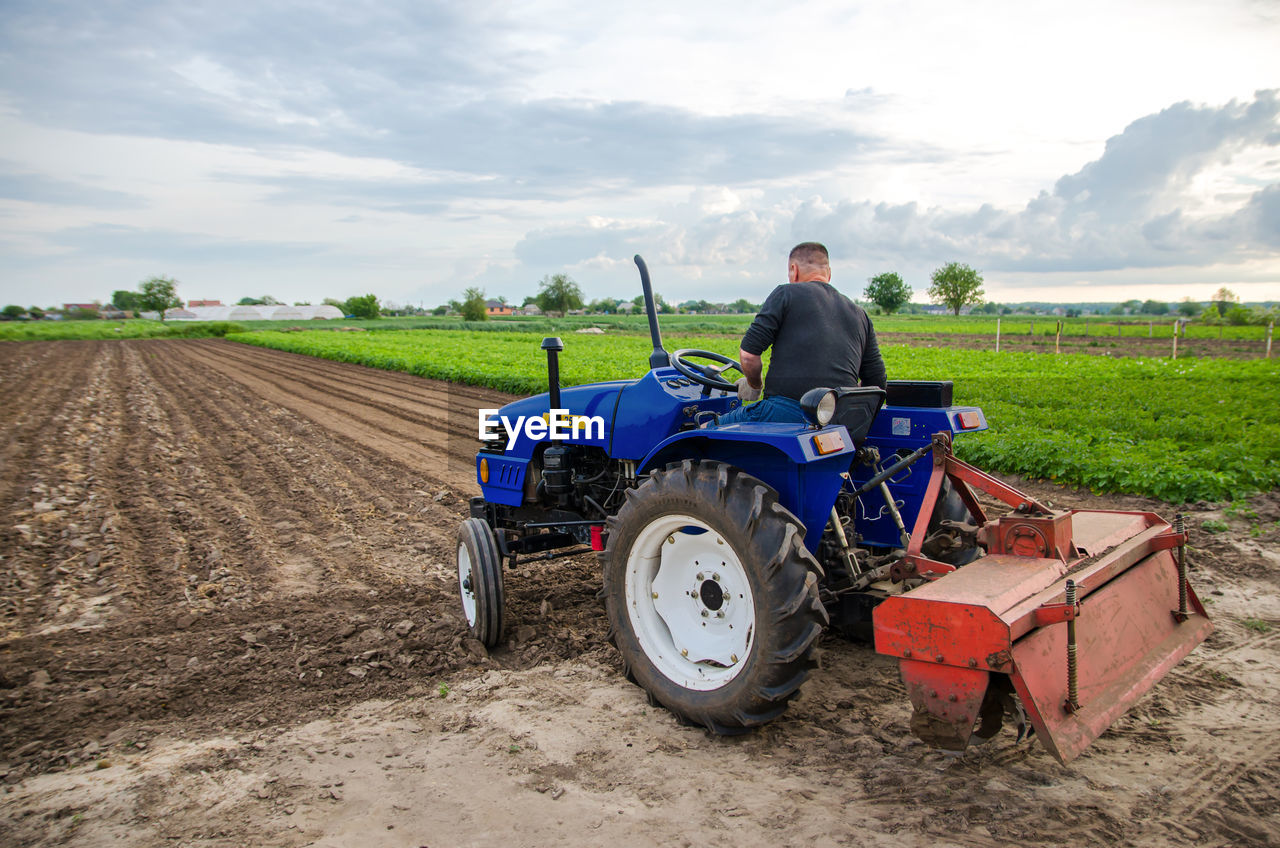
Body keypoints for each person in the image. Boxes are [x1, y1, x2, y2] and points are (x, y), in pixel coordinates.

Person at [715, 242, 886, 425]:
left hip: (786, 412)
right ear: (828, 272)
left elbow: (748, 356)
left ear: (793, 270)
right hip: (839, 420)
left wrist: (754, 385)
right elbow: (876, 381)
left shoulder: (786, 294)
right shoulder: (859, 313)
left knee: (699, 430)